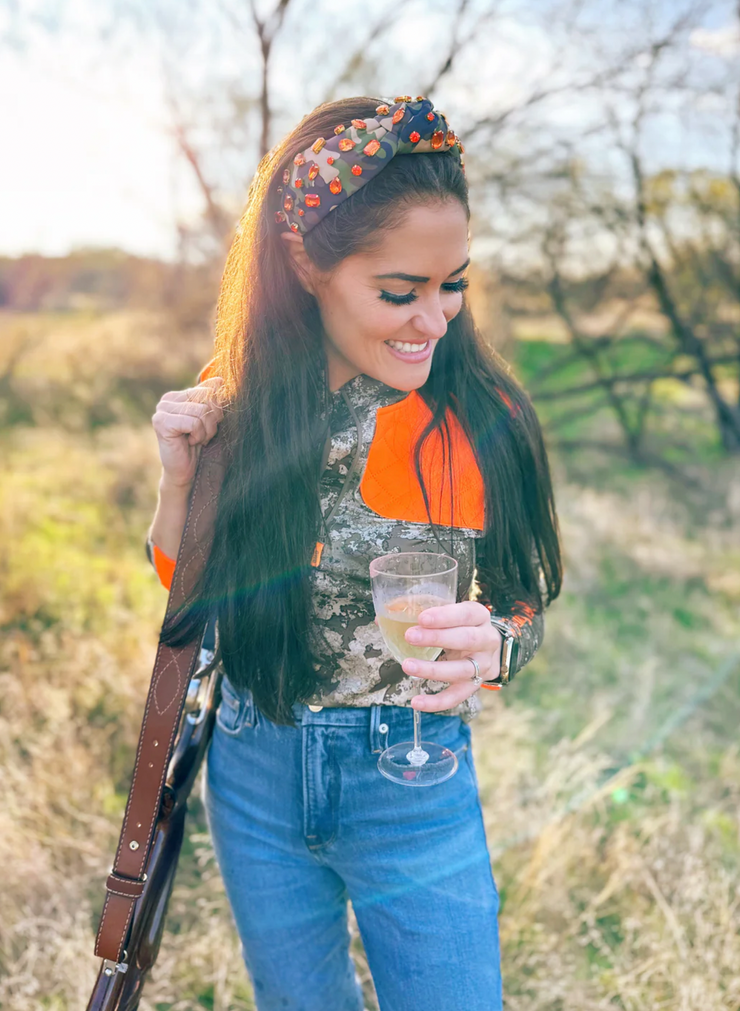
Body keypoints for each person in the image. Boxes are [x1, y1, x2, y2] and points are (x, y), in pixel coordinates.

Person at [146, 95, 562, 1011]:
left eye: (452, 281)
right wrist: (181, 481)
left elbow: (526, 598)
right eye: (399, 291)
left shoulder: (483, 420)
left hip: (414, 780)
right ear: (307, 267)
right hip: (253, 772)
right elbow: (189, 590)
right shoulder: (239, 402)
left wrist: (497, 645)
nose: (433, 319)